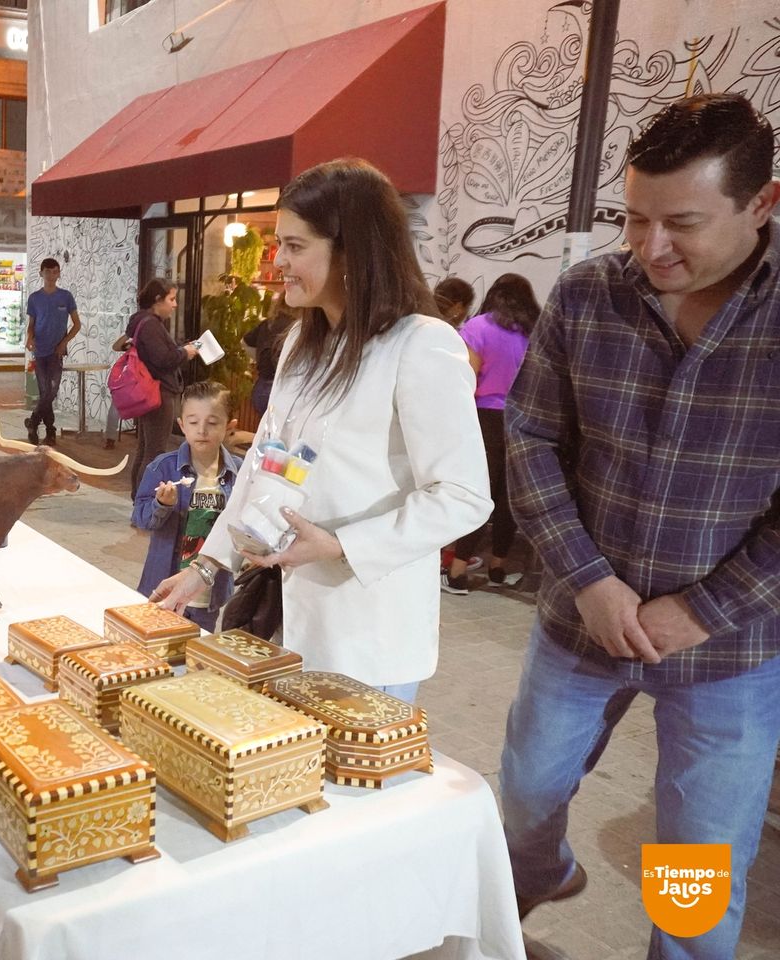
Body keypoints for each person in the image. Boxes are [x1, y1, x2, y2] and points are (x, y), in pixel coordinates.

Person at [499, 93, 780, 959]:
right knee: (523, 798)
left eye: (683, 224)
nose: (651, 248)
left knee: (693, 863)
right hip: (580, 624)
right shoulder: (589, 295)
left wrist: (700, 610)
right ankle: (542, 873)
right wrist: (588, 581)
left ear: (763, 205)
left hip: (725, 651)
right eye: (635, 218)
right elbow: (531, 438)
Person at [151, 158, 491, 702]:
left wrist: (340, 545)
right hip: (282, 619)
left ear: (352, 250)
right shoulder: (299, 346)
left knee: (345, 781)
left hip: (365, 632)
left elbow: (463, 496)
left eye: (296, 246)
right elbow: (264, 467)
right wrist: (208, 565)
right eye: (280, 243)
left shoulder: (420, 345)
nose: (279, 261)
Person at [442, 272, 539, 594]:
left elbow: (465, 380)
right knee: (508, 497)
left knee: (478, 494)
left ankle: (458, 573)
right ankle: (498, 567)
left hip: (483, 418)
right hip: (522, 419)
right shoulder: (533, 330)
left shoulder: (478, 327)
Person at [132, 380, 242, 631]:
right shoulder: (163, 467)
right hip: (165, 586)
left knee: (195, 654)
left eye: (212, 423)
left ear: (229, 427)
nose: (201, 430)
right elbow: (140, 517)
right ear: (181, 424)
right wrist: (161, 504)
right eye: (193, 422)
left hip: (208, 593)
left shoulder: (240, 473)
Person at [126, 278, 201, 498]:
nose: (175, 304)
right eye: (171, 299)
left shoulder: (142, 321)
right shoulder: (150, 324)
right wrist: (184, 352)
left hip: (149, 392)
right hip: (158, 393)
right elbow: (163, 358)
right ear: (158, 300)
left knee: (145, 448)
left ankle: (137, 497)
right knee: (154, 451)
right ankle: (145, 500)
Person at [24, 257, 81, 446]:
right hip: (40, 352)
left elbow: (77, 324)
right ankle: (49, 430)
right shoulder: (34, 298)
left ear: (59, 274)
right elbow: (31, 325)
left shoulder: (66, 297)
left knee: (51, 391)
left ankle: (33, 423)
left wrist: (64, 342)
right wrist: (29, 338)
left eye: (55, 271)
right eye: (47, 272)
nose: (51, 275)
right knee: (45, 391)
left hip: (57, 353)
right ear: (41, 274)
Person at [242, 298, 299, 417]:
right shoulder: (299, 326)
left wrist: (259, 358)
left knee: (267, 430)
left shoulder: (268, 323)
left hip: (261, 387)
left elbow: (244, 342)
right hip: (283, 387)